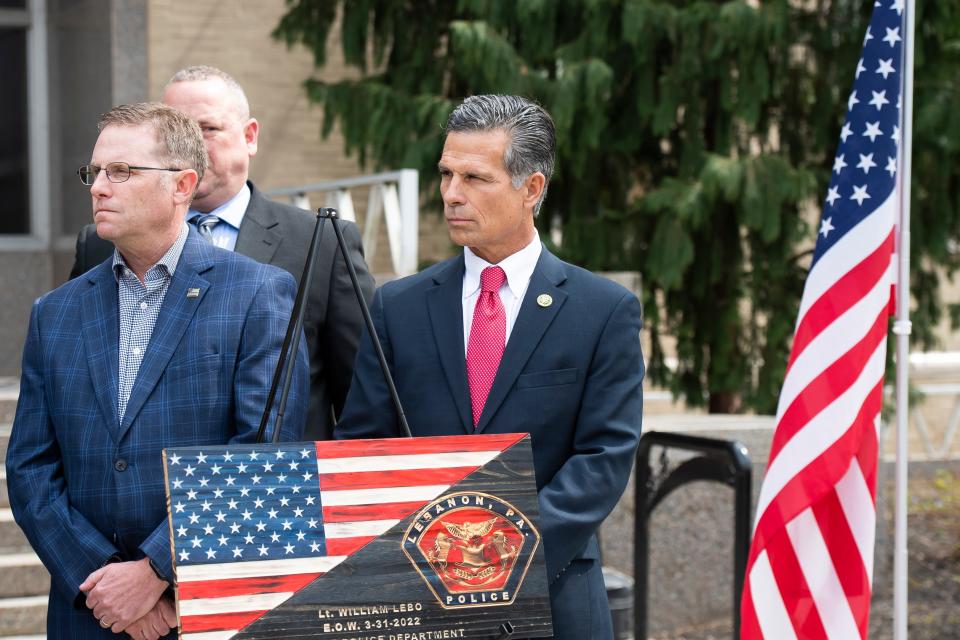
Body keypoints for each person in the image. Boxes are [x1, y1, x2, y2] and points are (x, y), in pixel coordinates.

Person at [336, 94, 644, 638]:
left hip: (554, 595)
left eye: (476, 178)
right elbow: (364, 445)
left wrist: (499, 560)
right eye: (447, 174)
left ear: (532, 189)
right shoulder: (398, 306)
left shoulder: (603, 310)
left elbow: (602, 458)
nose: (452, 195)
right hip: (418, 595)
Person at [6, 103, 309, 638]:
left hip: (207, 610)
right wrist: (103, 583)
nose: (99, 186)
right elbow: (31, 469)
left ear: (181, 185)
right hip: (88, 613)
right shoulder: (55, 312)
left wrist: (156, 576)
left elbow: (263, 456)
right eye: (94, 172)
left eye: (120, 171)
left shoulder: (258, 293)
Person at [69, 65, 374, 441]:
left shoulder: (320, 241)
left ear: (250, 136)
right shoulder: (99, 245)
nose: (192, 146)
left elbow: (362, 396)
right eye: (176, 130)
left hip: (272, 482)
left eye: (207, 129)